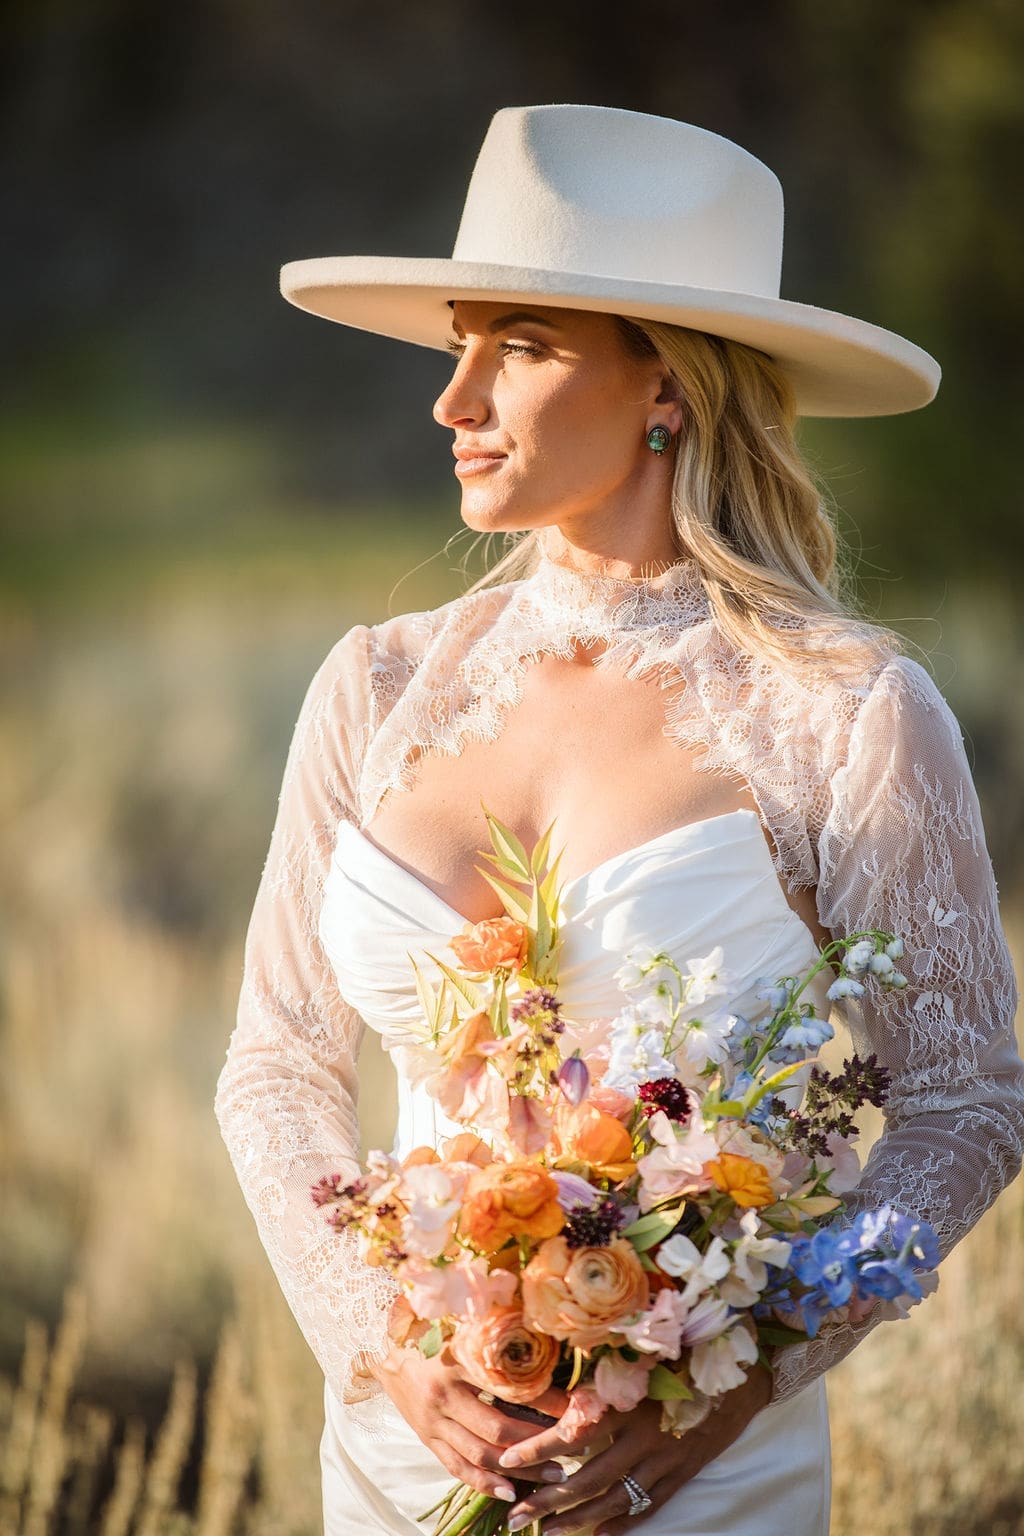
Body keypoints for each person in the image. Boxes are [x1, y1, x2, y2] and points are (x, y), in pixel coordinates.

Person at [214, 104, 1023, 1535]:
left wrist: (739, 1380)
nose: (454, 399)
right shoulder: (379, 687)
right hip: (409, 1457)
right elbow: (276, 1067)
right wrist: (385, 1347)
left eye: (520, 346)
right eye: (461, 343)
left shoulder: (842, 711)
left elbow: (965, 1102)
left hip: (700, 1478)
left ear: (670, 386)